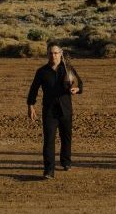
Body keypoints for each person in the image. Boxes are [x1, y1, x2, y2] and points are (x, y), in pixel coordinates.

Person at [27, 44, 82, 180]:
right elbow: (34, 89)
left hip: (65, 109)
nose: (53, 56)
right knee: (49, 140)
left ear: (61, 53)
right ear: (48, 54)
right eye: (51, 53)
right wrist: (30, 105)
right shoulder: (42, 71)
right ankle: (49, 170)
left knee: (66, 137)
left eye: (56, 53)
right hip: (49, 111)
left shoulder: (68, 69)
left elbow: (79, 84)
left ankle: (66, 162)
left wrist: (77, 89)